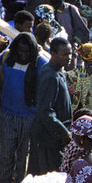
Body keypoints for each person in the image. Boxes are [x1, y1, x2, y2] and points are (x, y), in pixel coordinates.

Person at [0, 32, 44, 183]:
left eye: (27, 52)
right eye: (20, 51)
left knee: (23, 158)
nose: (23, 55)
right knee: (5, 156)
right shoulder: (7, 60)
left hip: (29, 118)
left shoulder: (40, 64)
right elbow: (0, 83)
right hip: (8, 115)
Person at [30, 39, 73, 175]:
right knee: (51, 177)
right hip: (49, 138)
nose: (69, 58)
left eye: (70, 54)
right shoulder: (51, 76)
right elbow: (45, 110)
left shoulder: (57, 72)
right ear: (53, 54)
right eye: (64, 54)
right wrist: (63, 132)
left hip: (53, 136)